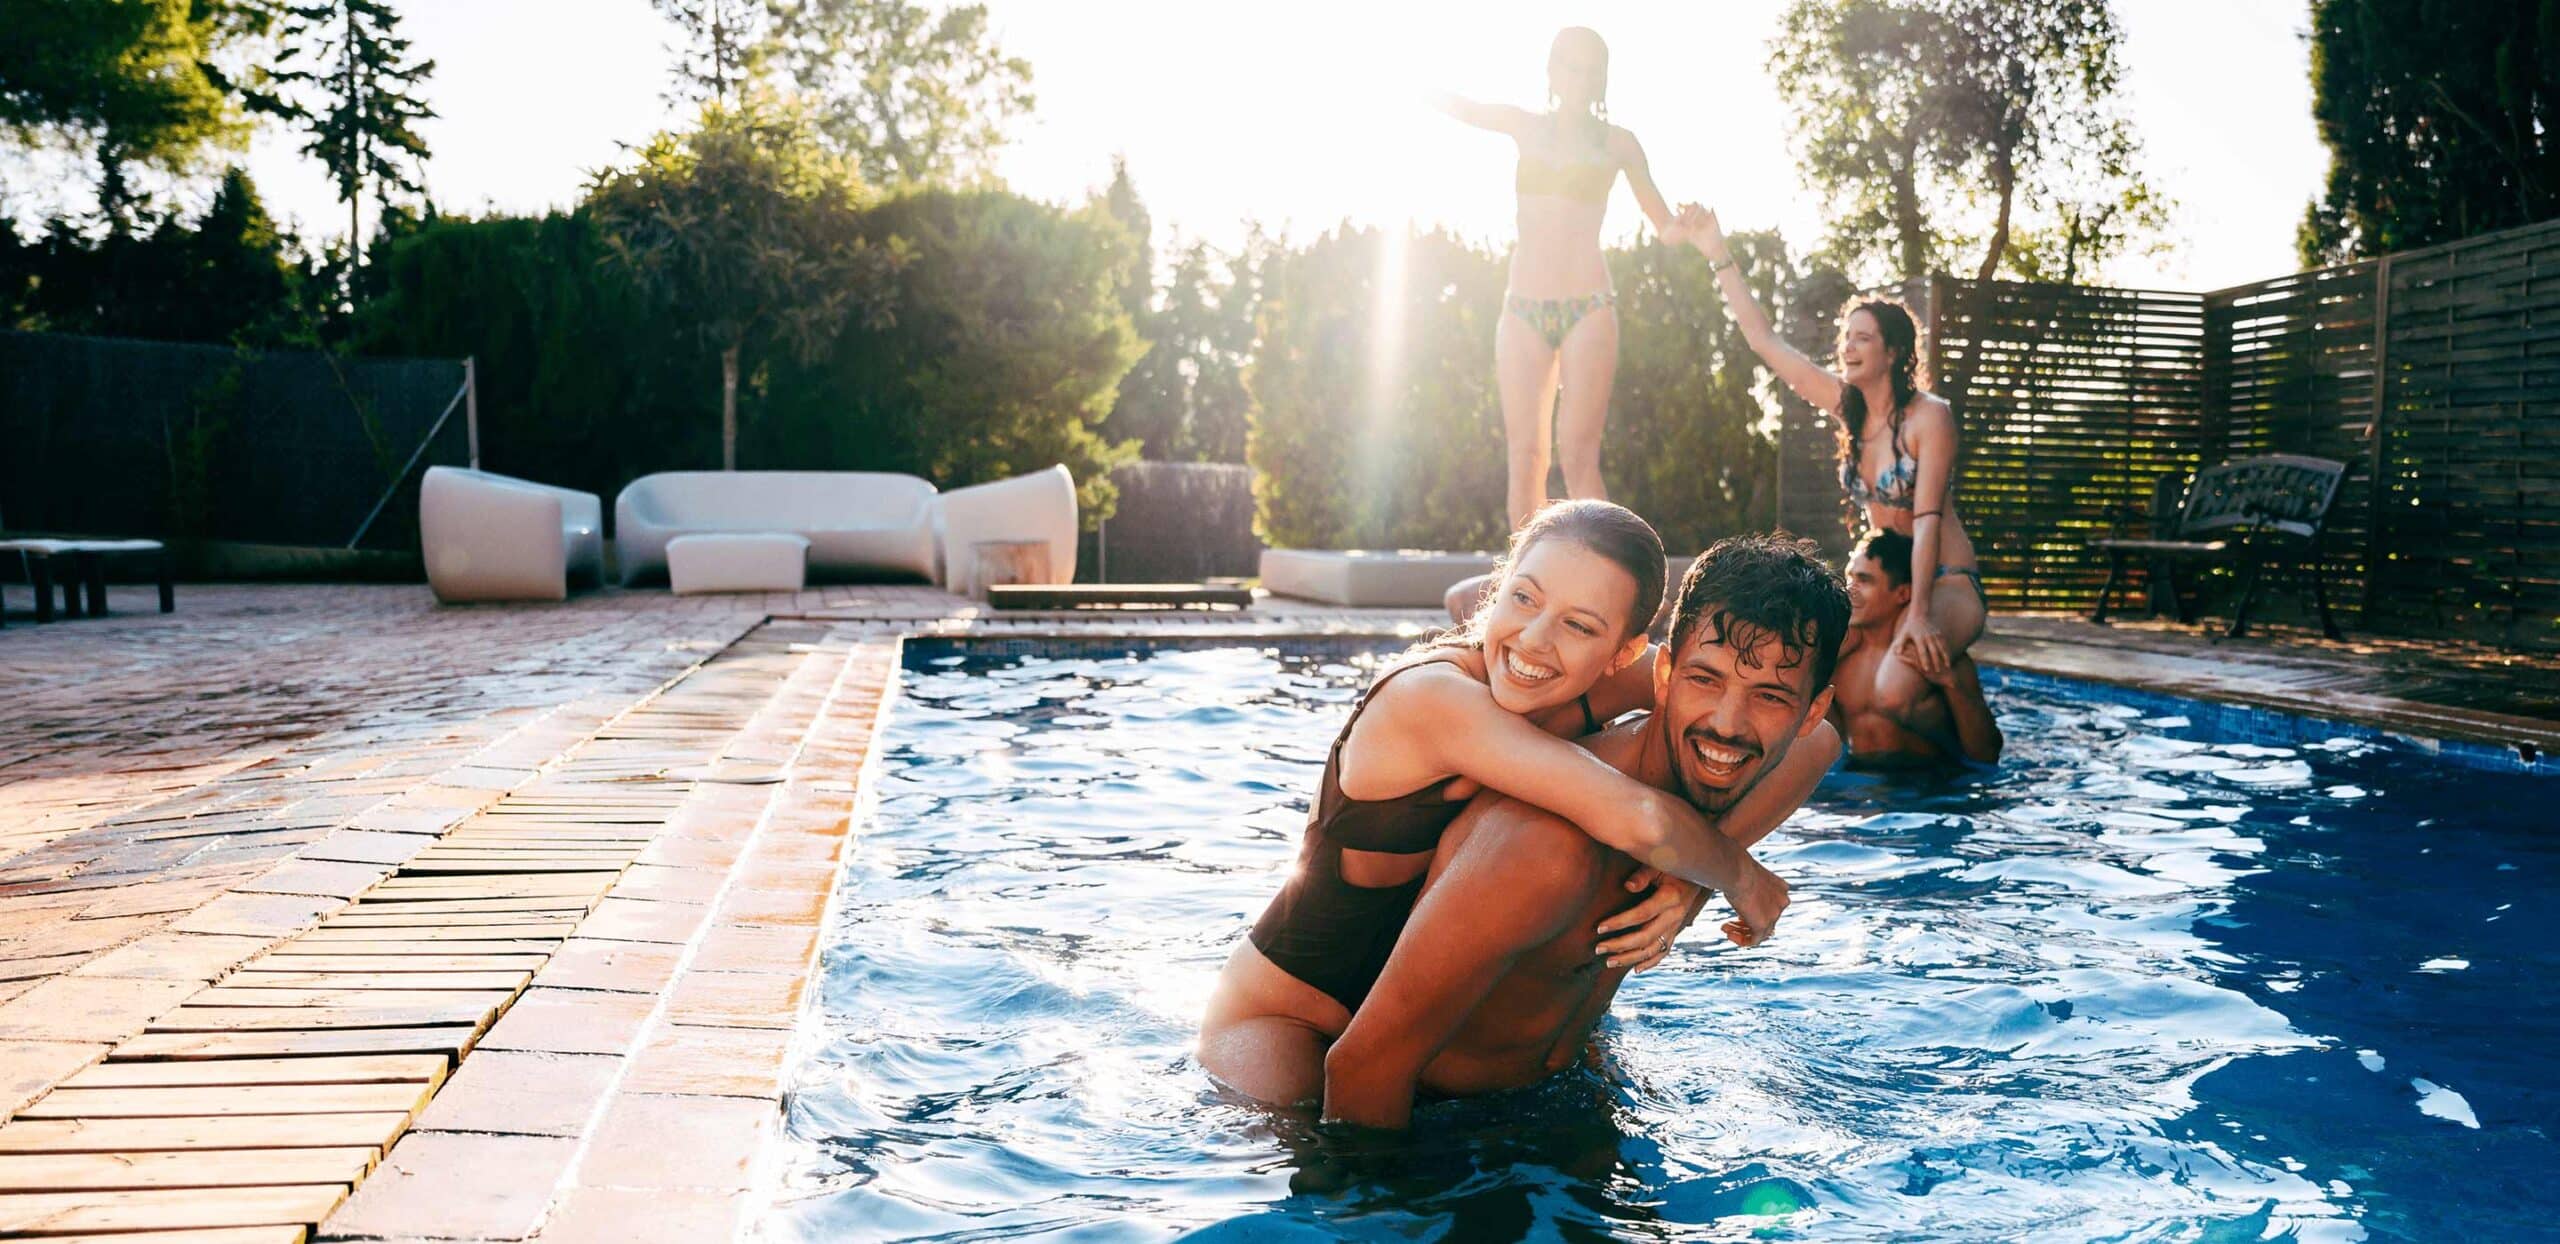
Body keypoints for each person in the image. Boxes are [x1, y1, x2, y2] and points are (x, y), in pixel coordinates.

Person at [1199, 502, 1839, 1108]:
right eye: (1524, 597)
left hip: (1411, 1008)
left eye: (1581, 624)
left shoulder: (1602, 674)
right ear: (1496, 588)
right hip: (1290, 1016)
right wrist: (1734, 874)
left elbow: (1813, 740)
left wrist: (1685, 882)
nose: (1536, 640)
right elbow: (1635, 817)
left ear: (1624, 651)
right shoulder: (1432, 699)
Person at [1667, 203, 1988, 731]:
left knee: (1888, 692)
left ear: (1894, 352)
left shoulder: (1930, 417)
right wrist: (1716, 251)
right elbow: (1765, 343)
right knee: (1802, 674)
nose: (1847, 346)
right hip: (1885, 588)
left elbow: (1926, 520)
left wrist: (1920, 614)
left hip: (1944, 583)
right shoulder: (1849, 408)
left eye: (1863, 338)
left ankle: (1953, 706)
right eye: (1845, 336)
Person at [1436, 27, 1684, 530]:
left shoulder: (1618, 144)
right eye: (1570, 65)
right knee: (1526, 456)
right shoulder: (1525, 126)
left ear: (1602, 80)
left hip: (1587, 306)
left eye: (1591, 69)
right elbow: (1461, 107)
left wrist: (1694, 228)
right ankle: (1522, 586)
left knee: (1578, 457)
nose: (1579, 77)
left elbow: (1664, 225)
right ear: (1551, 71)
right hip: (1522, 306)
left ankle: (1610, 586)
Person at [1835, 529, 2002, 768]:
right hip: (1856, 786)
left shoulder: (1935, 656)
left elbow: (1986, 754)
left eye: (1864, 580)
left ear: (1903, 593)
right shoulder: (1841, 663)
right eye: (1849, 578)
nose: (1849, 590)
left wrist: (1952, 684)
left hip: (1927, 789)